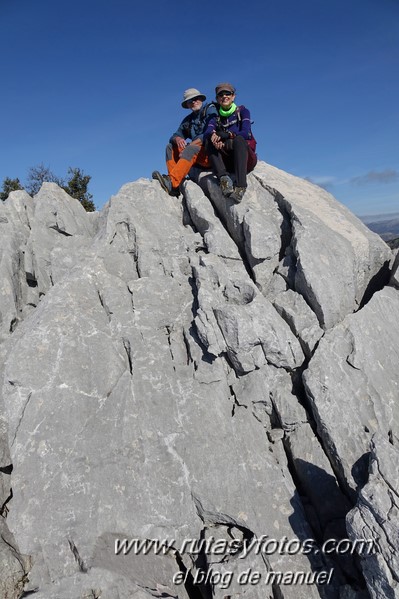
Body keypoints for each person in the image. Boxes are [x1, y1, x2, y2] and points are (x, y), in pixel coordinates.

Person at [152, 88, 218, 196]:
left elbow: (210, 131)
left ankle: (172, 182)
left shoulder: (210, 110)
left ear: (201, 99)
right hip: (197, 155)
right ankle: (174, 186)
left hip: (211, 155)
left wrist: (190, 146)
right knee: (170, 147)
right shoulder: (188, 120)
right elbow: (175, 135)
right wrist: (177, 139)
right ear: (187, 105)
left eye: (196, 99)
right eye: (190, 101)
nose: (193, 102)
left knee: (191, 148)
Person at [203, 83, 257, 203]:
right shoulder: (214, 116)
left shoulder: (242, 111)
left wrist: (227, 135)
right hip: (228, 160)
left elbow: (246, 133)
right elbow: (207, 132)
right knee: (207, 140)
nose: (224, 96)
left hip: (245, 159)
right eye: (221, 94)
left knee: (239, 140)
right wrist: (213, 137)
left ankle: (241, 185)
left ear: (233, 96)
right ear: (217, 99)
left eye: (228, 93)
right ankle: (224, 178)